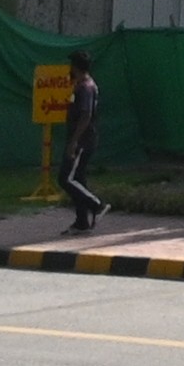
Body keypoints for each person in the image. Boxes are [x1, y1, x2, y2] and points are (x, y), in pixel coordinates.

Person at [56, 58, 108, 234]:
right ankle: (81, 222)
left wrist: (74, 141)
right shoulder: (84, 84)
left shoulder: (85, 88)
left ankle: (96, 205)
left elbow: (86, 115)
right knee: (78, 178)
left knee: (66, 178)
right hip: (82, 139)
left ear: (76, 67)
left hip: (82, 141)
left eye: (71, 65)